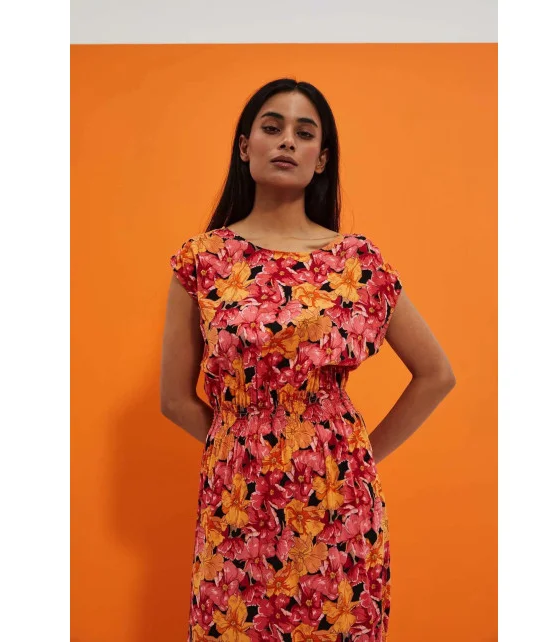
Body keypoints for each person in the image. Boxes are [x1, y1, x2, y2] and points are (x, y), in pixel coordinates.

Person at [161, 78, 456, 641]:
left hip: (339, 499)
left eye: (304, 133)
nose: (287, 141)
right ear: (245, 146)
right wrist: (243, 448)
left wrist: (357, 456)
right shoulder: (202, 259)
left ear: (321, 159)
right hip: (238, 504)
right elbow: (174, 399)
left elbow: (436, 374)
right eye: (272, 127)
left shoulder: (357, 261)